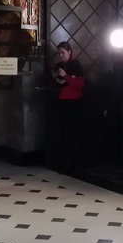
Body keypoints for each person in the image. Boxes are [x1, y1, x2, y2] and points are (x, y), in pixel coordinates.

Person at [52, 42, 84, 170]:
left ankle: (73, 162)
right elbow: (54, 82)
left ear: (69, 52)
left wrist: (65, 76)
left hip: (73, 103)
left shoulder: (75, 64)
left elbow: (79, 85)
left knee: (71, 133)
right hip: (60, 101)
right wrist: (56, 76)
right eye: (59, 53)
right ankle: (63, 160)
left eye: (63, 53)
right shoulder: (59, 65)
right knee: (62, 132)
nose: (60, 56)